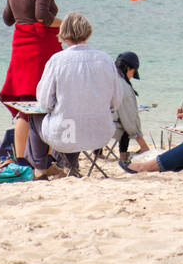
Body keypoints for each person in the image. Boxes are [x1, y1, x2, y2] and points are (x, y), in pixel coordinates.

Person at [33, 13, 125, 176]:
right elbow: (116, 102)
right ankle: (69, 165)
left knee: (35, 117)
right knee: (73, 115)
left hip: (68, 133)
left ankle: (41, 168)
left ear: (63, 34)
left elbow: (45, 101)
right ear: (88, 32)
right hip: (100, 133)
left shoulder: (57, 60)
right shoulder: (105, 59)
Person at [0, 0, 63, 168]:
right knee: (48, 102)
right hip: (40, 49)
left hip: (20, 49)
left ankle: (21, 160)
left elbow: (8, 19)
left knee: (26, 108)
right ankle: (46, 159)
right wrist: (67, 24)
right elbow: (43, 17)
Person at [113, 51, 151, 162]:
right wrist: (141, 141)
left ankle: (98, 153)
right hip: (105, 128)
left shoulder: (108, 77)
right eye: (133, 73)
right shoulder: (122, 85)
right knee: (126, 125)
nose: (132, 77)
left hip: (90, 124)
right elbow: (129, 118)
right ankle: (124, 157)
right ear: (129, 68)